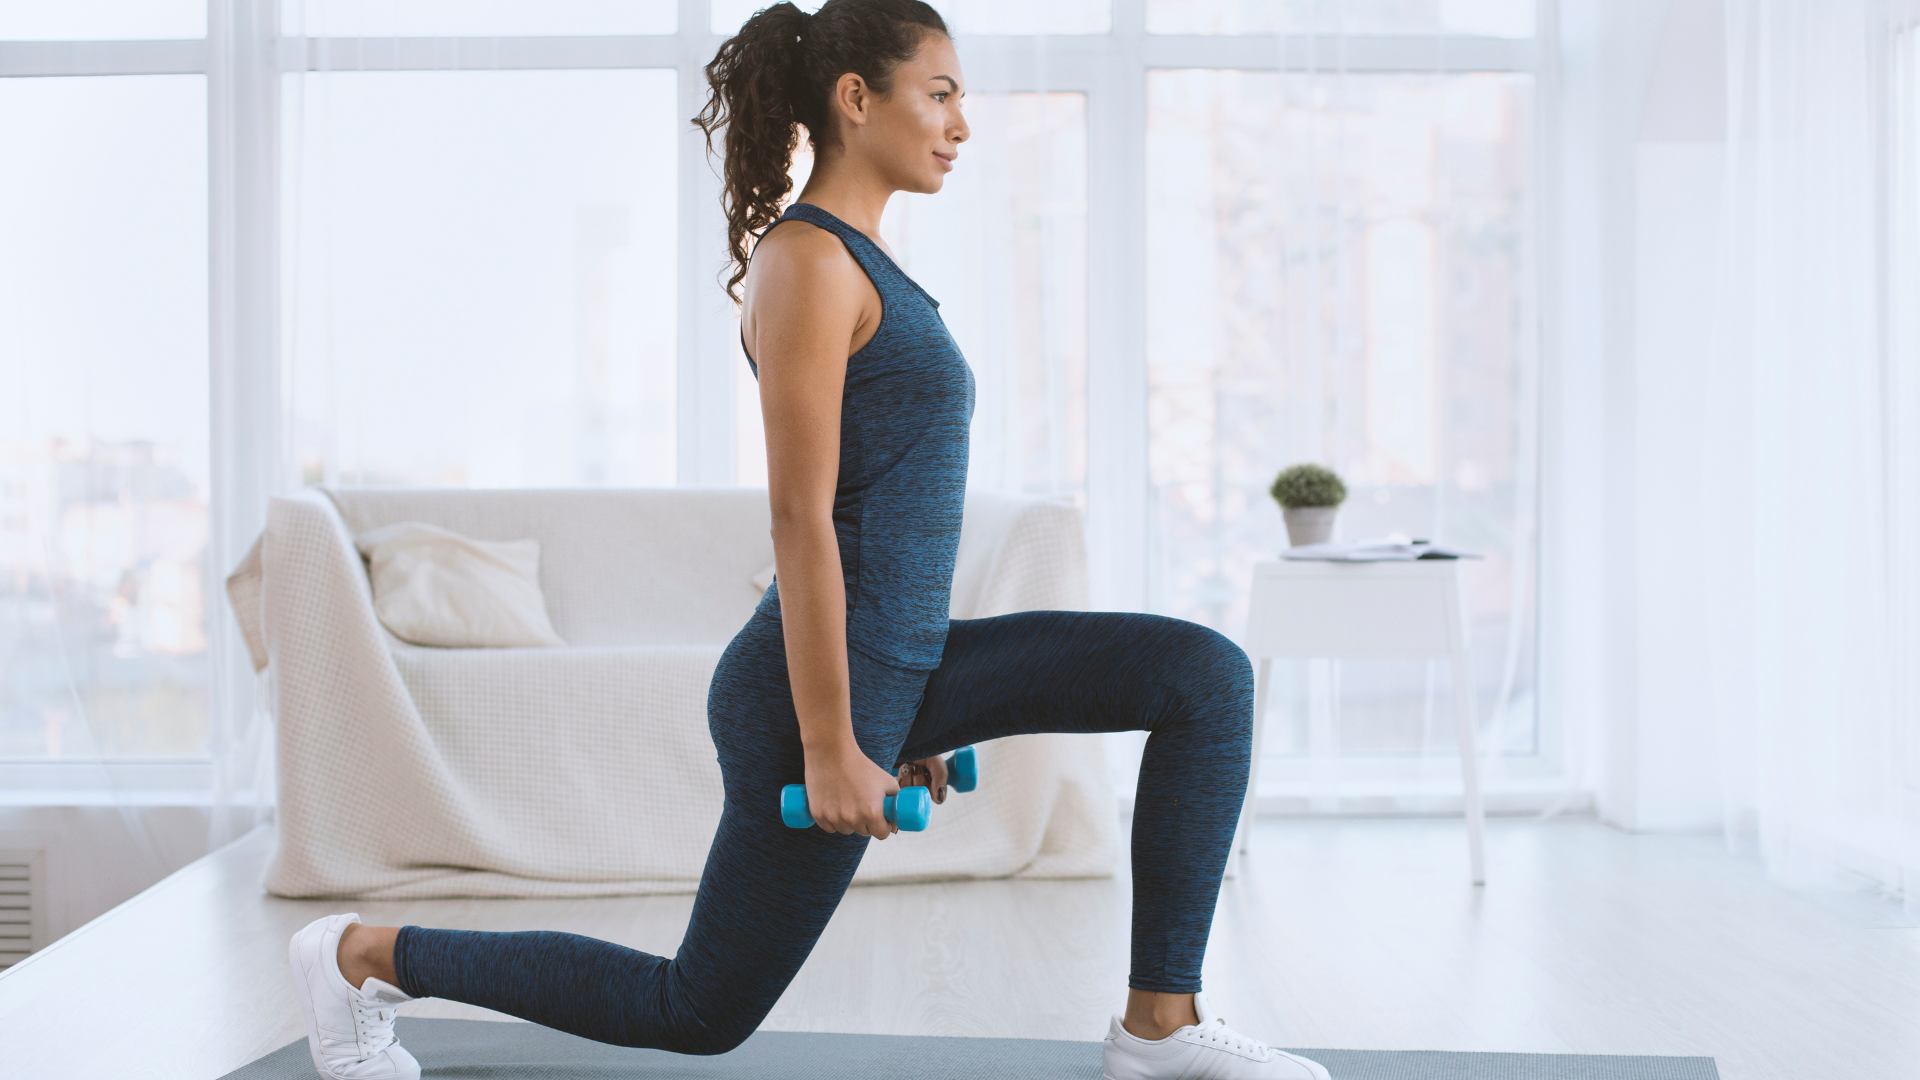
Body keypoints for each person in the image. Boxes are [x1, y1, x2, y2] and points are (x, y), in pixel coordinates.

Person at [285, 3, 1329, 1078]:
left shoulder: (867, 262)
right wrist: (834, 740)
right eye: (941, 93)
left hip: (901, 663)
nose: (963, 123)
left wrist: (904, 707)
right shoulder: (809, 262)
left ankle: (1158, 1027)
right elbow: (800, 517)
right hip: (808, 694)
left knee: (1202, 679)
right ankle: (362, 958)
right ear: (856, 98)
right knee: (694, 1008)